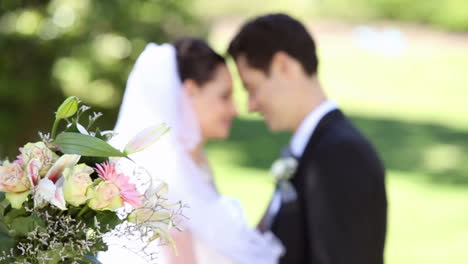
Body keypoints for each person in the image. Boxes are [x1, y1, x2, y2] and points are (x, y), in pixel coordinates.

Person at [99, 37, 283, 264]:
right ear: (191, 91)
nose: (235, 110)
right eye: (224, 96)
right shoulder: (160, 182)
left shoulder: (196, 165)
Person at [228, 14, 387, 264]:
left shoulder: (341, 154)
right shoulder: (314, 148)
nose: (251, 105)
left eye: (252, 88)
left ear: (283, 65)